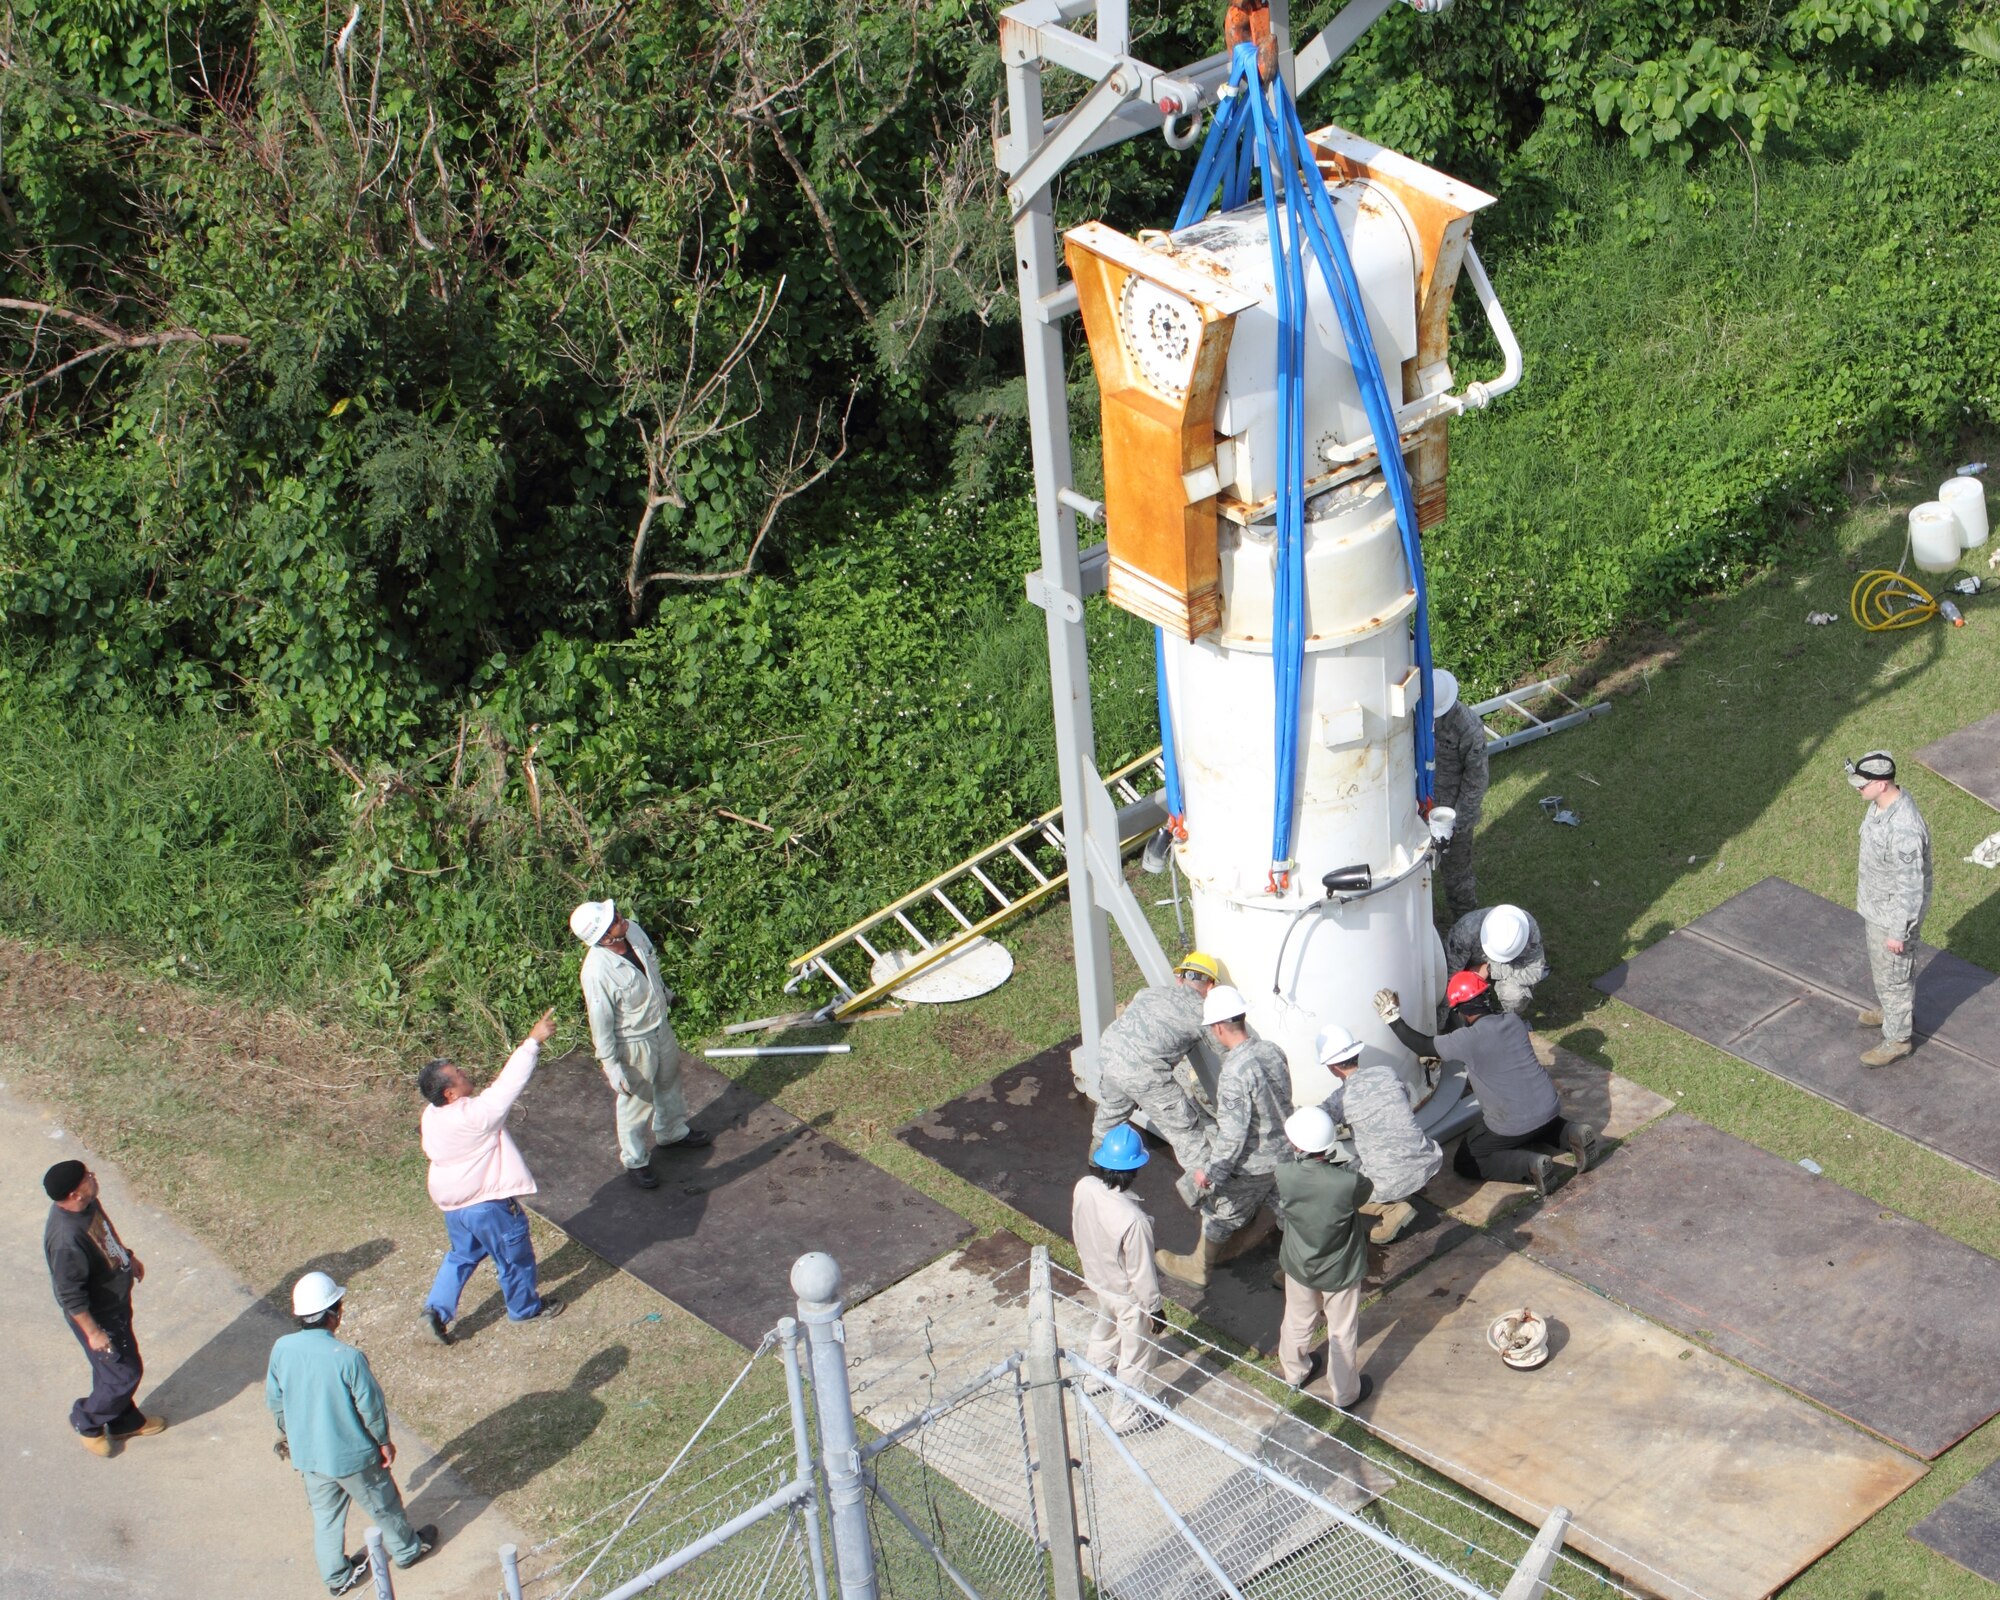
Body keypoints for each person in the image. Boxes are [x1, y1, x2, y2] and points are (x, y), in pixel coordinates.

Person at [267, 1271, 438, 1596]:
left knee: (326, 1518)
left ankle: (336, 1577)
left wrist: (286, 1436)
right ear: (332, 1315)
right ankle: (406, 1551)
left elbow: (275, 1400)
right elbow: (371, 1409)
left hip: (309, 1456)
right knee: (383, 1504)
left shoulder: (281, 1348)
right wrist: (384, 1442)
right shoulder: (348, 1358)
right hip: (352, 1457)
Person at [1374, 973, 1597, 1197]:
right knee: (1536, 1125)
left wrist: (1393, 1019)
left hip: (1513, 1123)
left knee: (1468, 1159)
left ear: (1461, 1010)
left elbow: (1423, 1046)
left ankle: (1531, 1165)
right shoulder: (1513, 1021)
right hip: (1549, 1106)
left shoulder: (1467, 1039)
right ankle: (1572, 1133)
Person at [417, 1007, 566, 1342]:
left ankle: (435, 1311)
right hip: (487, 1205)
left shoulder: (431, 1115)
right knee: (514, 1257)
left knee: (461, 1255)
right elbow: (509, 1085)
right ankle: (525, 1308)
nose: (465, 1072)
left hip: (454, 1207)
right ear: (449, 1093)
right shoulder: (476, 1116)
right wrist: (533, 1041)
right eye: (458, 1073)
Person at [572, 899, 712, 1190]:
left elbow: (652, 969)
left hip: (659, 1027)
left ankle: (672, 1132)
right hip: (633, 1042)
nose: (620, 917)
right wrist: (610, 1064)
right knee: (636, 1101)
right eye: (613, 919)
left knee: (669, 1079)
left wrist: (667, 995)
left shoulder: (633, 931)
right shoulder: (596, 972)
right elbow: (600, 1021)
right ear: (604, 938)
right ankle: (635, 1159)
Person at [1155, 985, 1289, 1287]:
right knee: (1290, 1212)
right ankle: (1299, 1273)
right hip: (1285, 1155)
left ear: (1217, 1028)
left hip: (1253, 1165)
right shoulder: (1272, 1050)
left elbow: (1233, 1135)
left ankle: (1198, 1269)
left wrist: (1211, 1173)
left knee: (1219, 1213)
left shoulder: (1234, 1073)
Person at [42, 1159, 165, 1457]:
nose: (93, 1177)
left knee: (112, 1371)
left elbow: (105, 1234)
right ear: (74, 1193)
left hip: (115, 1303)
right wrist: (94, 1333)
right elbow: (69, 1295)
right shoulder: (65, 1240)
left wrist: (126, 1257)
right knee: (124, 1374)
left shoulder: (88, 1204)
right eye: (87, 1177)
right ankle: (86, 1420)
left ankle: (124, 1421)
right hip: (98, 1317)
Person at [1274, 1107, 1374, 1408]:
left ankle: (1294, 1372)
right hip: (1340, 1268)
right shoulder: (1346, 1182)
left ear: (1297, 1144)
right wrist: (1340, 1157)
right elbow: (1364, 1191)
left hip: (1299, 1262)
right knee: (1341, 1331)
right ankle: (1345, 1394)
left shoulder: (1284, 1172)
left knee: (1297, 1318)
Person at [1089, 951, 1222, 1173]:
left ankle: (1096, 1157)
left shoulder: (1148, 993)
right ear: (1210, 987)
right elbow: (1224, 1050)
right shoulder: (1203, 1014)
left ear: (1180, 979)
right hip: (1145, 1072)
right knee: (1185, 1131)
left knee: (1112, 1109)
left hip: (1111, 1054)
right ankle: (1207, 1190)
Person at [1070, 1123, 1165, 1433]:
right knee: (1136, 1354)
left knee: (1105, 1325)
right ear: (1136, 1169)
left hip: (1097, 1278)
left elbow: (1077, 1227)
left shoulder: (1084, 1186)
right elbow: (1142, 1272)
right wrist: (1154, 1308)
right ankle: (1126, 1416)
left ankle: (1094, 1375)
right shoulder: (1133, 1220)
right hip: (1127, 1294)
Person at [1314, 1024, 1443, 1246]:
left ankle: (1393, 1208)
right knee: (1365, 1159)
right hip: (1428, 1162)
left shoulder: (1339, 1100)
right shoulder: (1387, 1072)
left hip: (1394, 1180)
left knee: (1334, 1187)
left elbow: (1315, 1124)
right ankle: (1406, 1189)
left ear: (1331, 1067)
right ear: (1357, 1053)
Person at [1848, 750, 1933, 1068]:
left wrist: (1899, 931)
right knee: (1885, 973)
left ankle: (1897, 1039)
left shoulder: (1904, 829)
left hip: (1895, 916)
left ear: (1882, 784)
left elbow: (1910, 887)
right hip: (1879, 908)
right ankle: (1892, 1011)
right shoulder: (1879, 806)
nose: (1858, 789)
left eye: (1862, 784)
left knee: (1895, 976)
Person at [1431, 669, 1489, 923]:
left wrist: (1457, 824)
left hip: (1452, 814)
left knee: (1457, 878)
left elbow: (1476, 780)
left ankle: (1467, 928)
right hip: (1419, 807)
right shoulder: (1413, 716)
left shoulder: (1468, 728)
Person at [1442, 904, 1547, 1018]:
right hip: (1468, 965)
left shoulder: (1529, 933)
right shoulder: (1466, 931)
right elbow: (1449, 975)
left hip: (1506, 969)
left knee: (1514, 995)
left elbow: (1534, 972)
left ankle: (1504, 1020)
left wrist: (1490, 969)